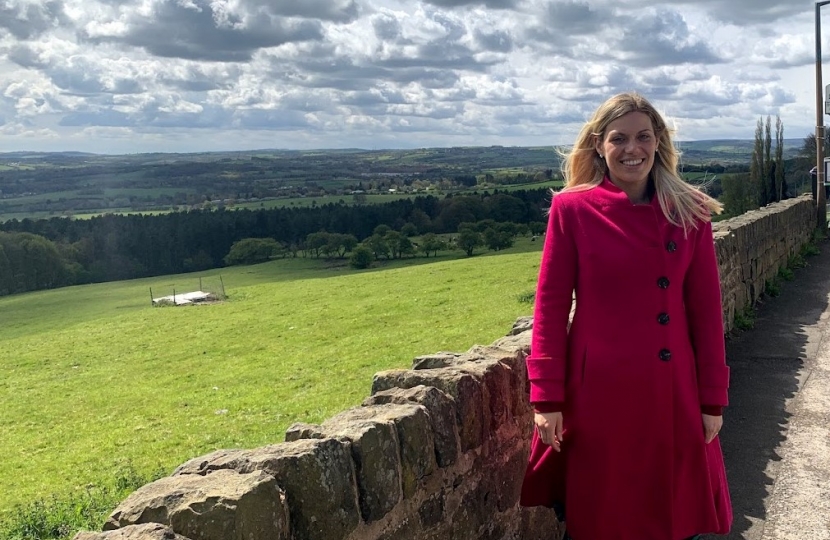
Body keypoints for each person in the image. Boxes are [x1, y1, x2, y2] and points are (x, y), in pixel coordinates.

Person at [519, 92, 732, 540]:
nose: (632, 149)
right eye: (619, 138)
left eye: (643, 137)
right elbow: (551, 308)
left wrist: (712, 400)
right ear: (599, 144)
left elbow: (706, 313)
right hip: (598, 397)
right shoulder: (572, 209)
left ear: (658, 142)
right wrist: (547, 399)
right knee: (601, 518)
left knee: (672, 518)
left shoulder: (689, 211)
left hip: (672, 392)